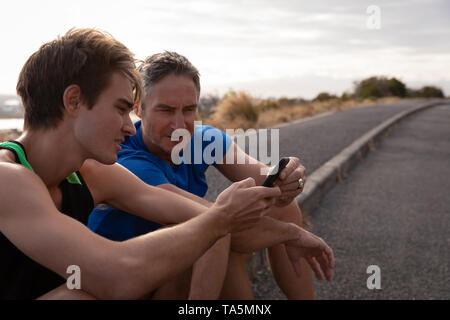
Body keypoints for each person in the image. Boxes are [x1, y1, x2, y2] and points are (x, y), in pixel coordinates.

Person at [0, 28, 335, 300]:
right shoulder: (7, 178)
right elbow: (118, 275)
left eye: (188, 109)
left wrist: (289, 230)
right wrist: (221, 217)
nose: (130, 126)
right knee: (84, 293)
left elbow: (211, 221)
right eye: (120, 109)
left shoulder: (94, 173)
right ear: (73, 101)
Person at [88, 51, 334, 299]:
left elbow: (265, 179)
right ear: (139, 109)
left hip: (174, 260)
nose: (179, 125)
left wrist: (291, 178)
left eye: (188, 110)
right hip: (127, 281)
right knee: (209, 232)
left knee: (282, 207)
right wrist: (294, 234)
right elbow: (215, 219)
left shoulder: (202, 139)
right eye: (166, 110)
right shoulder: (126, 157)